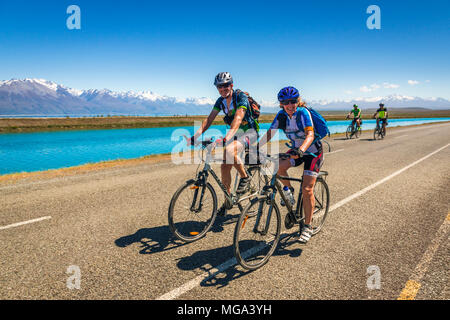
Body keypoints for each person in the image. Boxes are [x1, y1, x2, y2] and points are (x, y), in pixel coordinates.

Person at [185, 72, 259, 215]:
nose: (223, 88)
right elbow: (209, 119)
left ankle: (245, 177)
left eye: (226, 85)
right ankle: (228, 201)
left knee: (229, 151)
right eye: (220, 86)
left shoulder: (240, 97)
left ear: (231, 85)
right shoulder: (220, 101)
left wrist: (227, 137)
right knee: (224, 168)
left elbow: (238, 118)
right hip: (234, 134)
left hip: (249, 132)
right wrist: (195, 136)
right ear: (217, 88)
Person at [258, 86, 324, 243]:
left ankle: (307, 226)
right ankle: (288, 190)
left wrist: (301, 150)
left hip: (312, 153)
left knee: (307, 189)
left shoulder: (303, 112)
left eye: (293, 101)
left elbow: (310, 134)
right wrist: (255, 147)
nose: (290, 105)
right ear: (281, 104)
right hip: (296, 151)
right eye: (285, 102)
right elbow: (269, 133)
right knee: (278, 166)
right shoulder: (281, 115)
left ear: (297, 101)